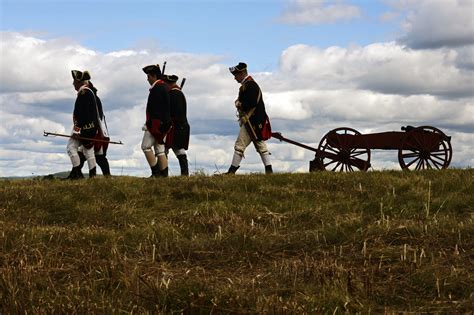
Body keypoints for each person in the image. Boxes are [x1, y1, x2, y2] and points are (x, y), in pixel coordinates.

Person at [226, 62, 273, 174]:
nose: (235, 77)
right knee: (260, 145)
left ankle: (231, 171)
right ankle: (269, 170)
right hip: (254, 121)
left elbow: (251, 103)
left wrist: (239, 104)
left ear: (242, 73)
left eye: (236, 75)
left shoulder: (250, 85)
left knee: (240, 145)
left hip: (252, 121)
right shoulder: (248, 85)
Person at [66, 70, 99, 179]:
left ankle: (77, 173)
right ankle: (93, 175)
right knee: (88, 150)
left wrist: (76, 130)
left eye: (74, 81)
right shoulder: (90, 92)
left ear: (79, 82)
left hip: (83, 128)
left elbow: (82, 114)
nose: (73, 84)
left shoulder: (83, 93)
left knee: (71, 147)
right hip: (91, 128)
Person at [141, 64, 172, 177]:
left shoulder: (157, 88)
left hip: (155, 124)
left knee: (145, 146)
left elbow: (156, 109)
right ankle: (164, 174)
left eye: (148, 76)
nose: (147, 79)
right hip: (163, 124)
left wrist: (152, 125)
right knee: (159, 150)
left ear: (154, 76)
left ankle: (156, 173)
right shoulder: (163, 86)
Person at [77, 81, 111, 176]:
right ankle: (76, 173)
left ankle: (105, 176)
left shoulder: (93, 99)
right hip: (94, 130)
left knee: (99, 156)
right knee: (83, 153)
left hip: (94, 131)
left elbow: (96, 117)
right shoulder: (94, 98)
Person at [162, 74, 190, 176]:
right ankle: (183, 173)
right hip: (178, 126)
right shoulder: (176, 93)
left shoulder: (174, 94)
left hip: (176, 127)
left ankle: (164, 173)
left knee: (171, 149)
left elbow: (173, 112)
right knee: (174, 149)